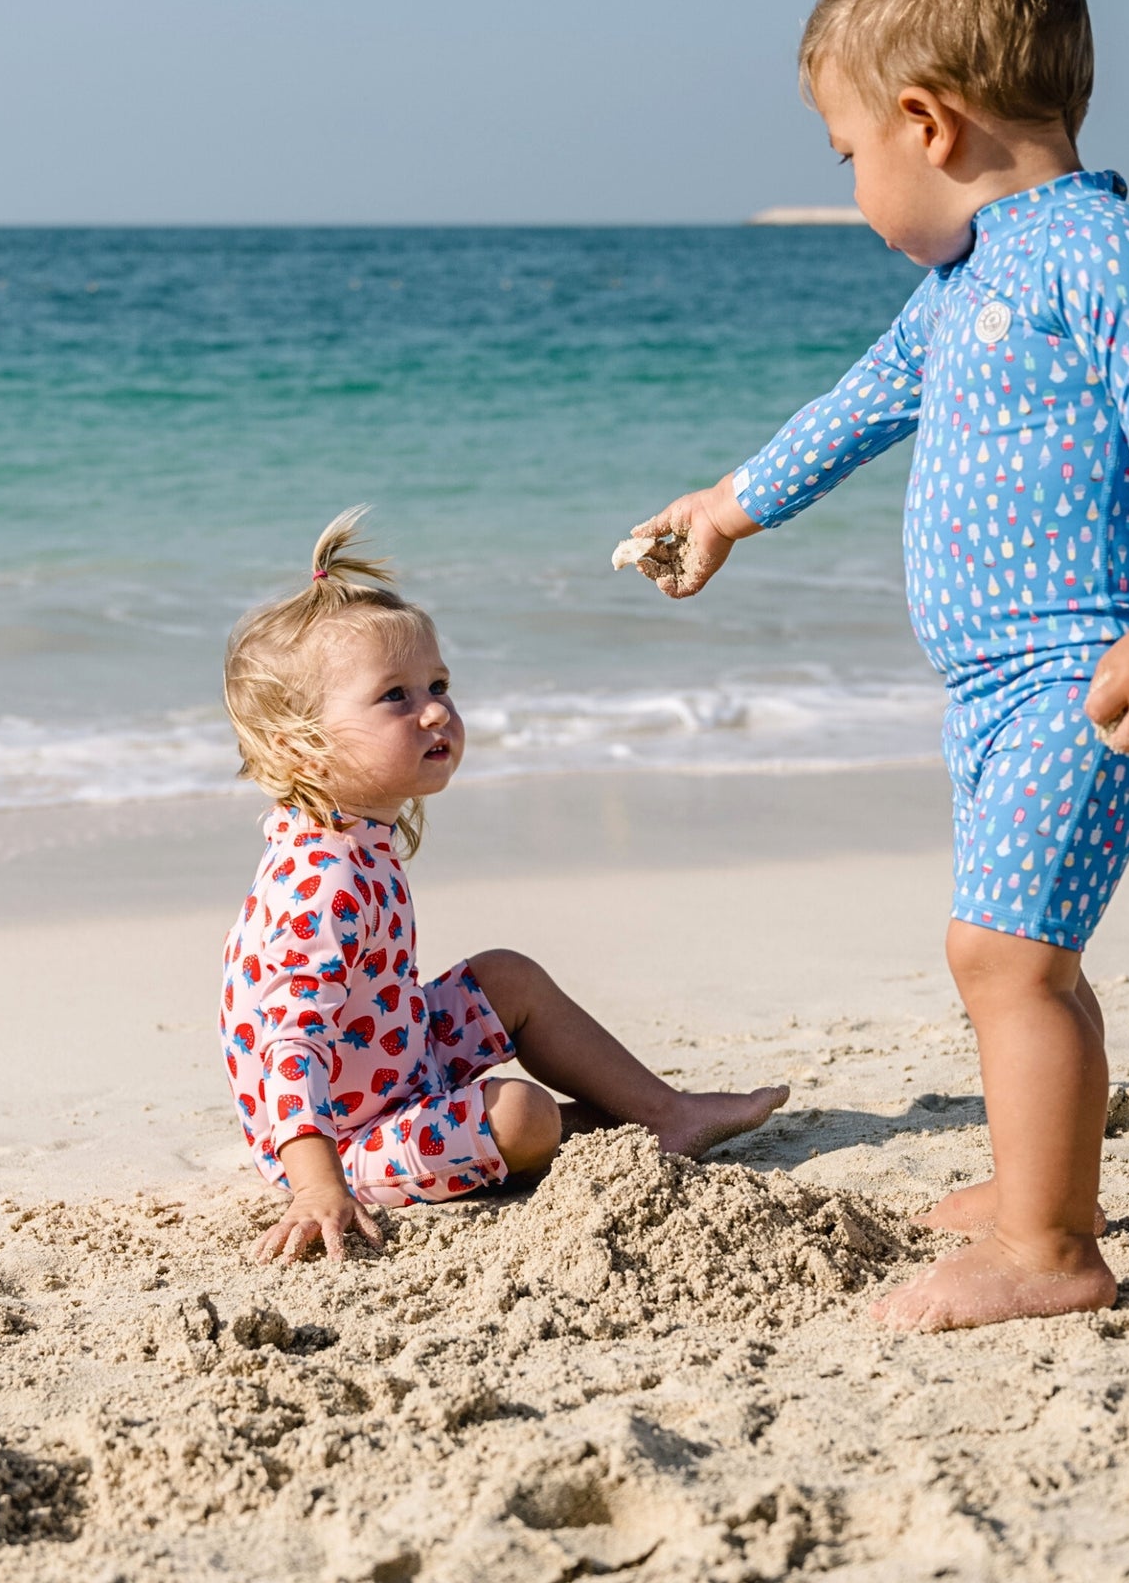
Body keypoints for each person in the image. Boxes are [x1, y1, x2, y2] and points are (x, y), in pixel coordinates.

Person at [626, 0, 1129, 1331]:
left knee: (1001, 956)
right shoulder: (968, 284)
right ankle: (1044, 1187)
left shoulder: (1105, 254)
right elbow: (860, 408)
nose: (852, 191)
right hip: (995, 687)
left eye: (848, 158)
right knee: (1033, 953)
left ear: (927, 122)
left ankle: (1049, 1248)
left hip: (1090, 672)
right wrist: (727, 504)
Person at [219, 508, 787, 1263]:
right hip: (339, 1136)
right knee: (521, 1115)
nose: (435, 709)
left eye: (439, 682)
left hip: (395, 1056)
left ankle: (664, 1112)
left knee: (506, 976)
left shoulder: (355, 833)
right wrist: (318, 1185)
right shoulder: (321, 881)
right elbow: (288, 1044)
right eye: (395, 695)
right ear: (303, 746)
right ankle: (588, 1131)